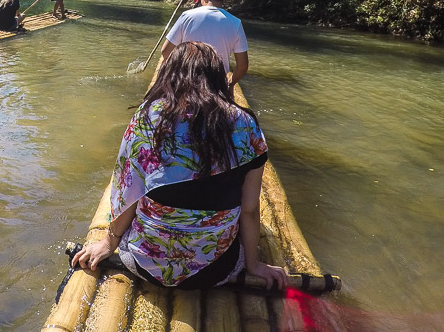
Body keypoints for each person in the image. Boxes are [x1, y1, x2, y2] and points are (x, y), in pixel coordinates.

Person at [71, 42, 287, 291]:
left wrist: (109, 243)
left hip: (146, 264)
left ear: (169, 74)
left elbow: (127, 190)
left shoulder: (147, 116)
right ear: (218, 77)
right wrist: (254, 265)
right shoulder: (246, 124)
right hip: (216, 268)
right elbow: (249, 208)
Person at [162, 0, 248, 91]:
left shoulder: (186, 16)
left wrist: (178, 73)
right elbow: (242, 66)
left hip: (188, 83)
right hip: (217, 87)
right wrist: (231, 83)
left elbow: (166, 51)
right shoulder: (236, 23)